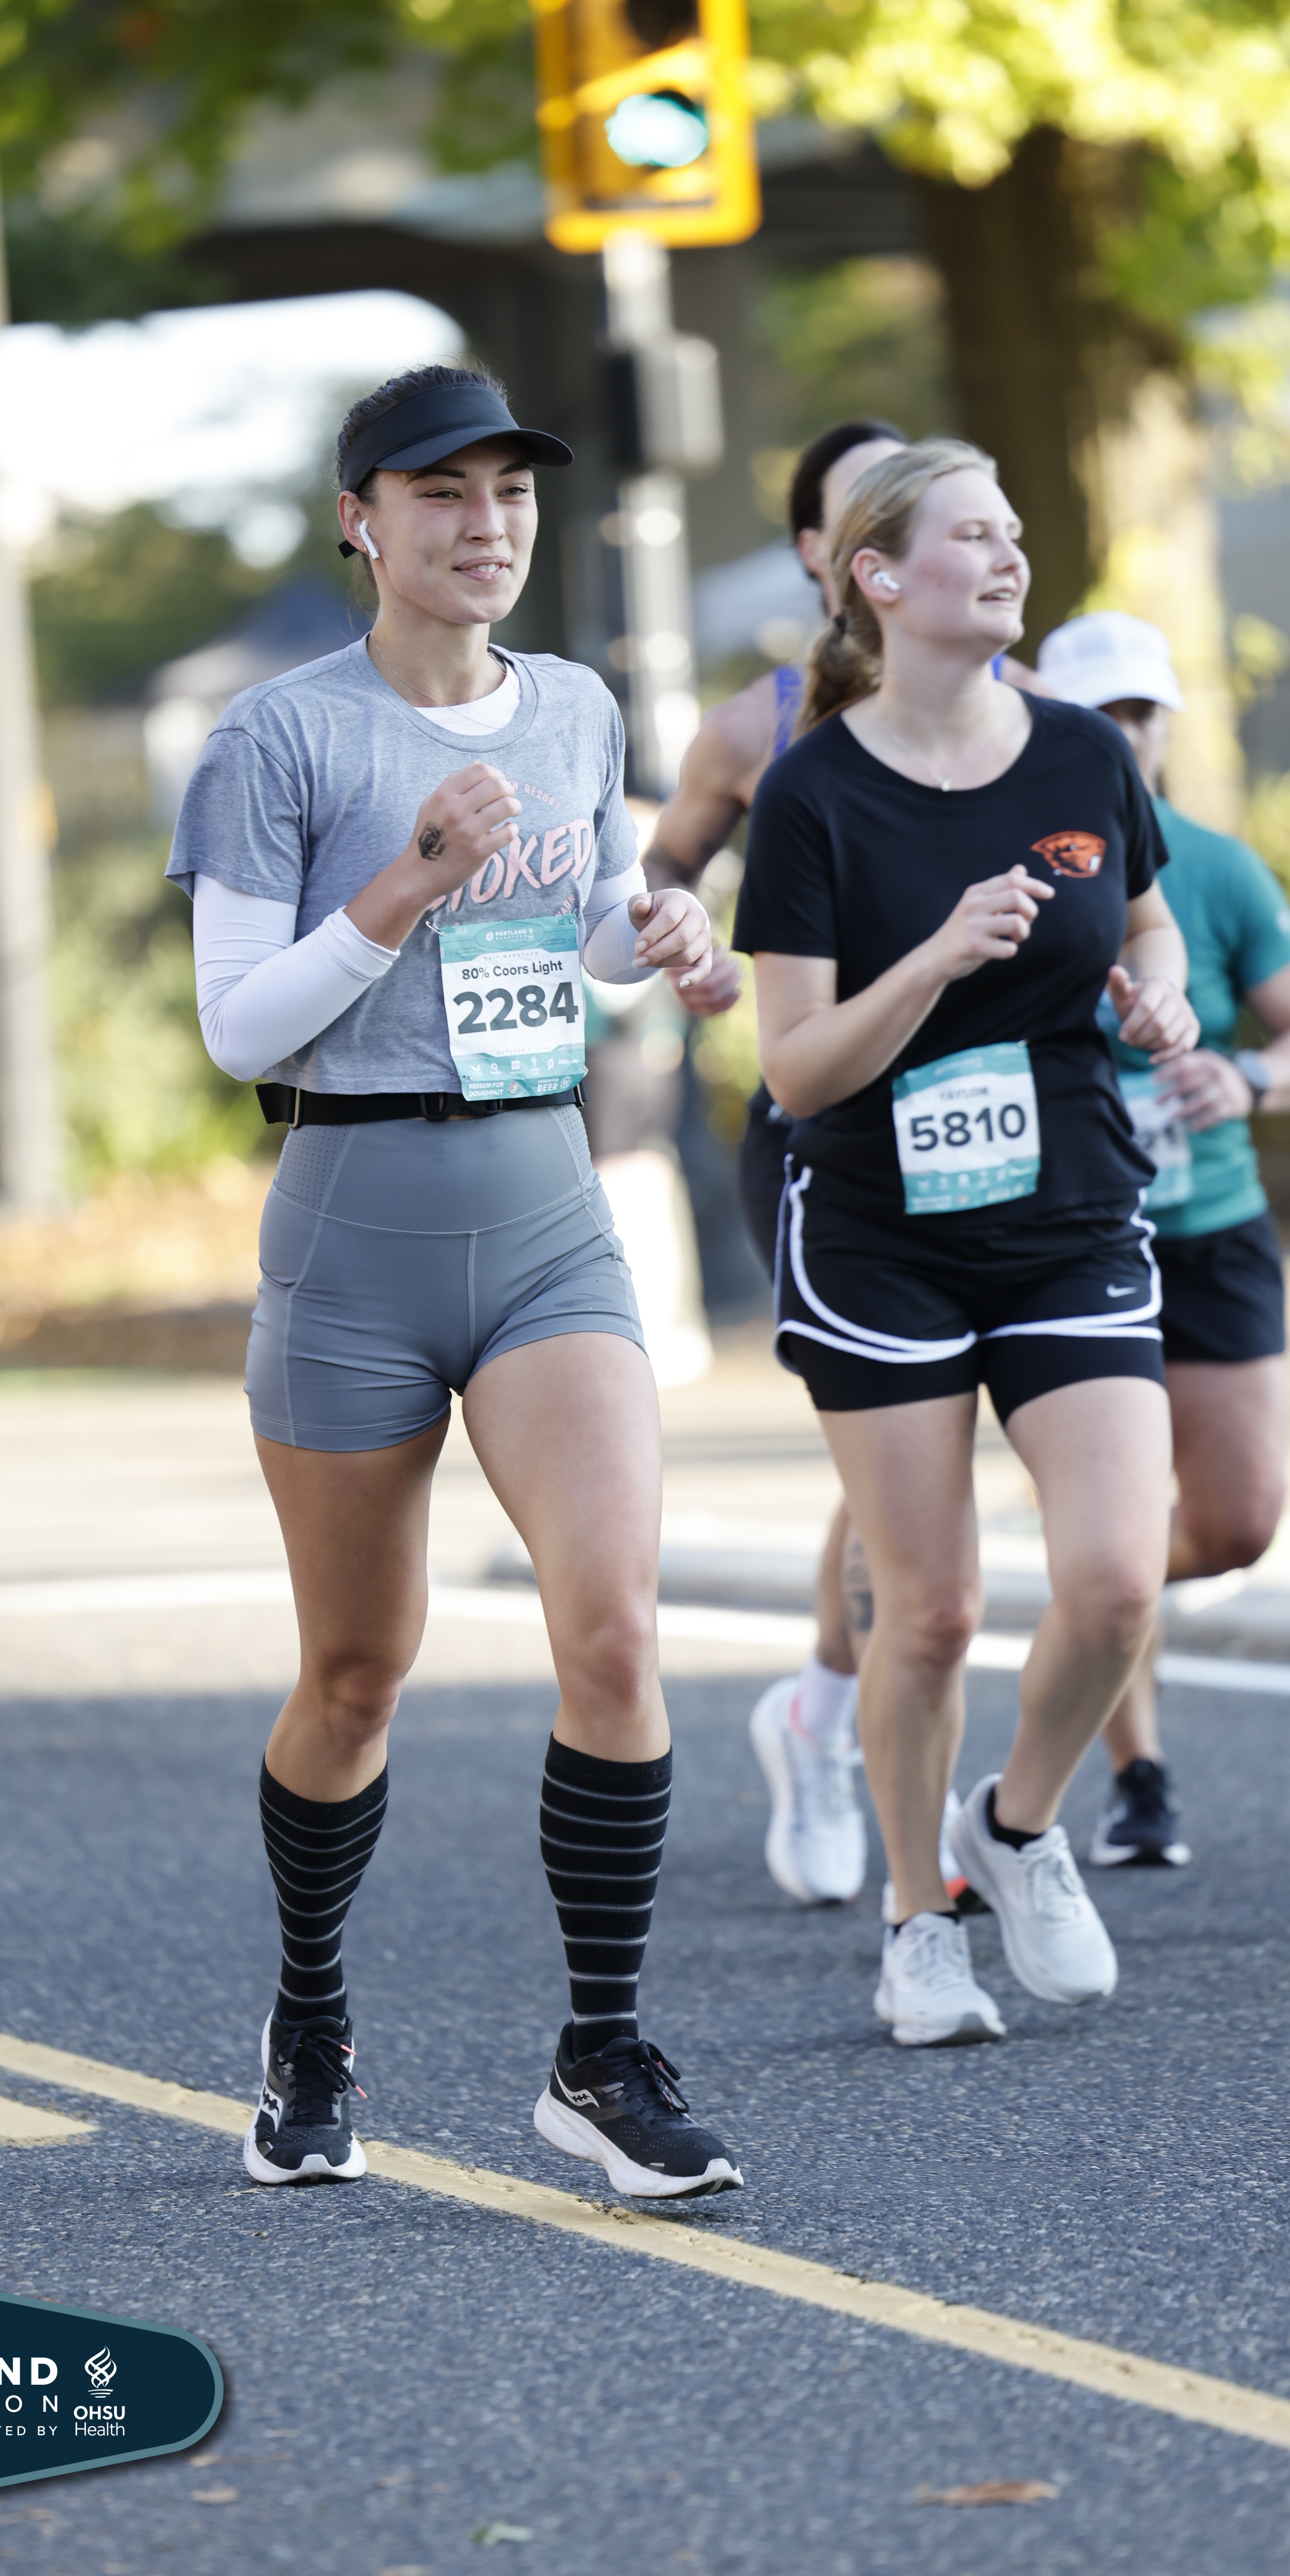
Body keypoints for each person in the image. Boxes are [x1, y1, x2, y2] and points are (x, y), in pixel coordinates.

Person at [168, 362, 742, 2197]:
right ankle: (311, 2019)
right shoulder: (276, 739)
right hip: (353, 1226)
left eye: (510, 492)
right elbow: (238, 1026)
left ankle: (600, 2053)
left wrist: (660, 930)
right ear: (361, 522)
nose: (486, 525)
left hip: (545, 1208)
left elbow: (581, 930)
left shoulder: (574, 706)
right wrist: (406, 882)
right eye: (441, 493)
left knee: (617, 1631)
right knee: (357, 1674)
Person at [731, 439, 1200, 2048]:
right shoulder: (813, 792)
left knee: (1117, 1582)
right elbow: (797, 1070)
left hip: (1068, 1216)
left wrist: (1159, 1001)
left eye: (1013, 534)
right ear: (877, 575)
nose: (1010, 558)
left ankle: (1016, 1826)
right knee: (926, 1613)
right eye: (973, 536)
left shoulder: (1081, 753)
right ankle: (916, 1921)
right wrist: (934, 958)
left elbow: (1148, 921)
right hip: (883, 1238)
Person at [646, 419, 1049, 1911]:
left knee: (938, 1460)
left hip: (1003, 1118)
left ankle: (829, 1706)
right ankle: (840, 1734)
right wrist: (679, 941)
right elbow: (662, 869)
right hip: (829, 1125)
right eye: (862, 509)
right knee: (889, 1460)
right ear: (833, 556)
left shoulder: (1030, 707)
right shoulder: (759, 731)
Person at [1039, 611, 1290, 1868]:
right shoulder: (1020, 863)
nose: (1124, 738)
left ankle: (1092, 1591)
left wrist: (1247, 1077)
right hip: (1081, 1238)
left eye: (1141, 715)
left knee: (1241, 1521)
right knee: (1122, 1526)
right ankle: (1137, 1772)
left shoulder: (1223, 869)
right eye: (1100, 718)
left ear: (1166, 729)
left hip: (1215, 1226)